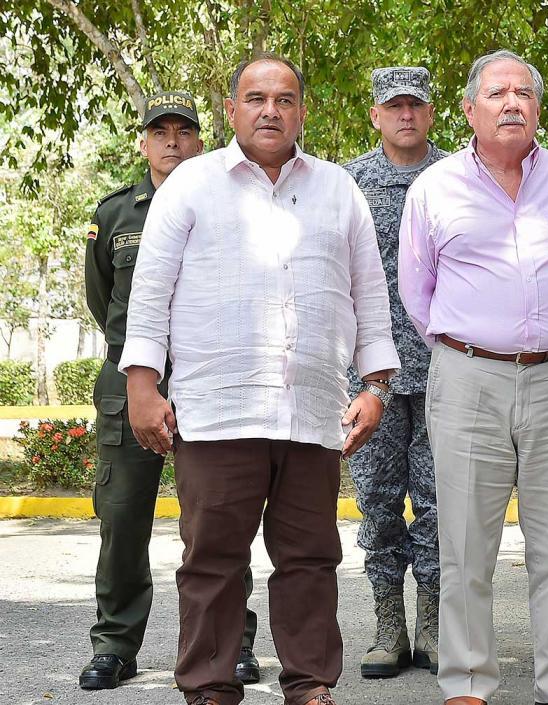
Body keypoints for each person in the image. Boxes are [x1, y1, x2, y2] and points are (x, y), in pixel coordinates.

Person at [120, 54, 400, 705]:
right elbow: (150, 291)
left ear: (302, 111)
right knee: (212, 561)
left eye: (283, 99)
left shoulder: (337, 189)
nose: (269, 109)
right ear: (232, 111)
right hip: (217, 410)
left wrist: (375, 386)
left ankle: (309, 684)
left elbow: (370, 296)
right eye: (255, 98)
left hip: (312, 413)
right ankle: (210, 688)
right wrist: (142, 383)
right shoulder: (190, 184)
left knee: (310, 559)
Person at [397, 49, 548, 705]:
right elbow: (417, 288)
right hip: (468, 377)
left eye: (524, 92)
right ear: (470, 109)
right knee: (466, 542)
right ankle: (466, 682)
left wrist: (546, 331)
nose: (512, 102)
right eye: (497, 92)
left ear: (539, 108)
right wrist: (473, 339)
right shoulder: (435, 188)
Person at [80, 91, 261, 691]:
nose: (174, 142)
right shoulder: (115, 215)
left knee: (218, 519)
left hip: (208, 378)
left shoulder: (234, 204)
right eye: (162, 132)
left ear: (201, 140)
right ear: (144, 142)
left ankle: (230, 640)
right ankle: (114, 643)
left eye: (185, 131)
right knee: (124, 515)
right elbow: (103, 298)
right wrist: (139, 368)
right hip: (132, 383)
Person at [343, 65, 448, 680]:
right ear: (377, 115)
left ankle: (433, 623)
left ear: (431, 113)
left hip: (445, 370)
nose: (406, 115)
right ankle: (389, 624)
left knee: (439, 504)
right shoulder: (349, 183)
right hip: (370, 375)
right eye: (394, 106)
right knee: (378, 503)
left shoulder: (461, 176)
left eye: (416, 105)